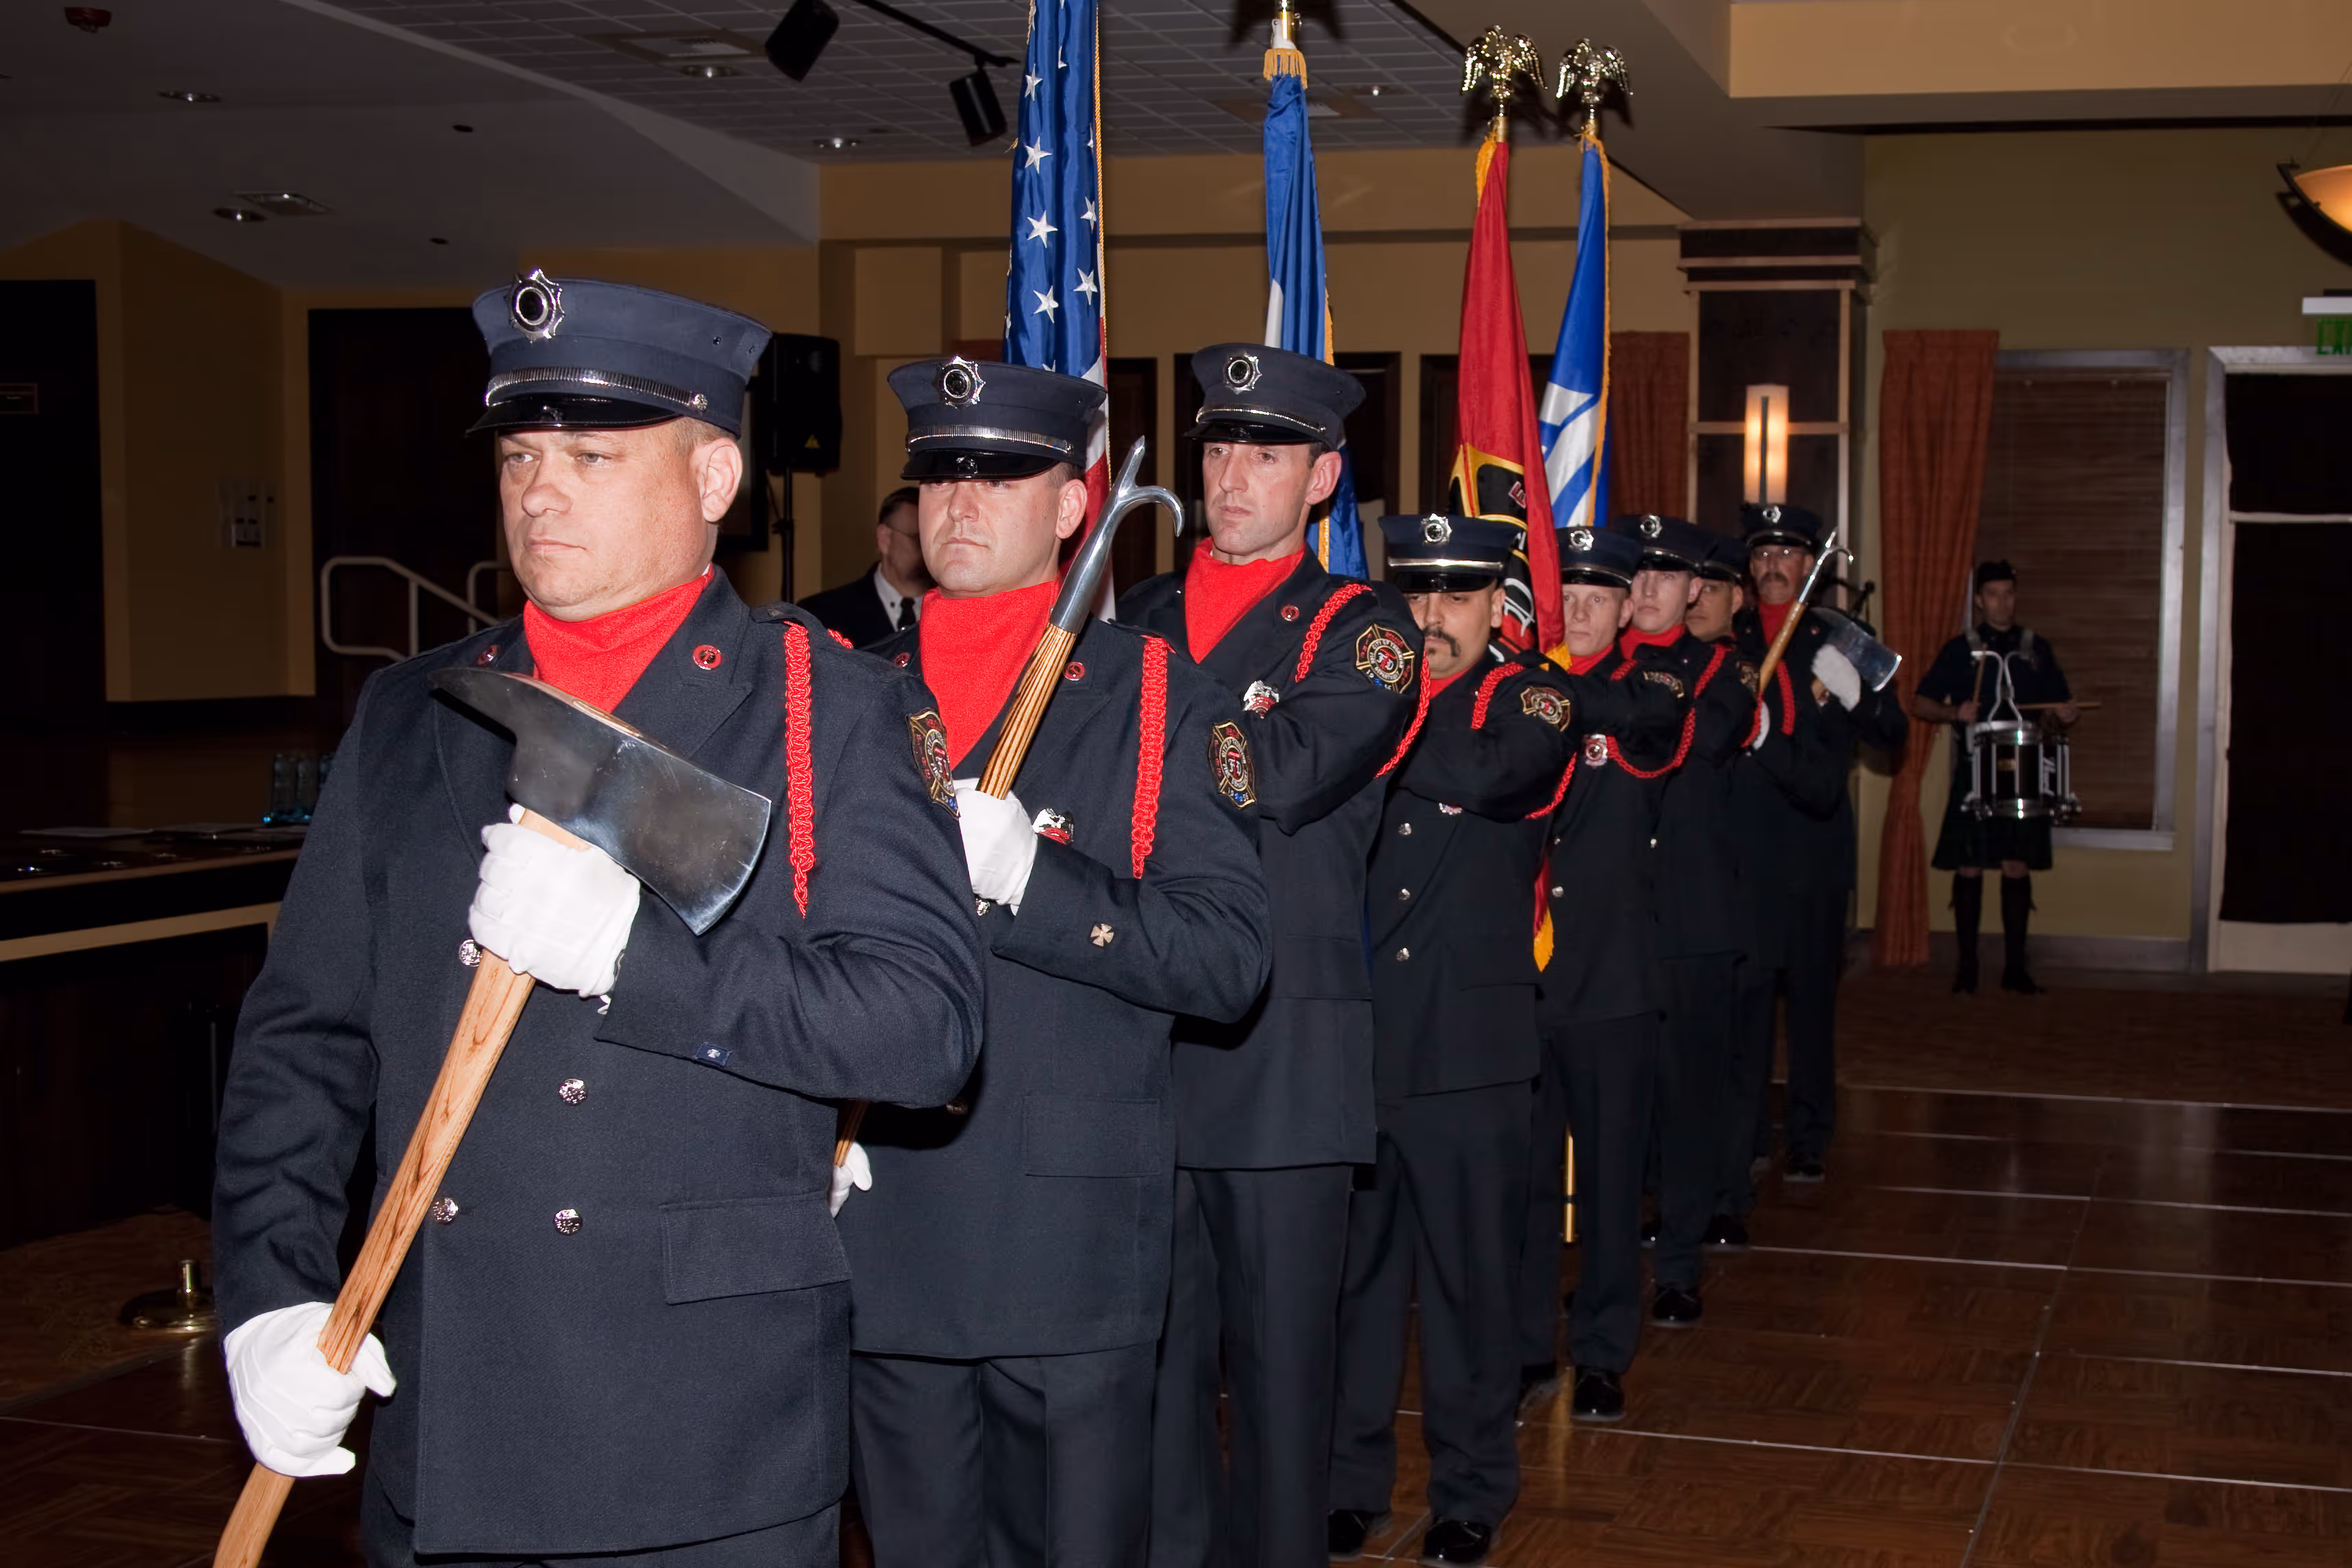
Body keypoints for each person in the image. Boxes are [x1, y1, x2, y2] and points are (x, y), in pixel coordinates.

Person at [210, 274, 989, 1565]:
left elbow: (925, 1030)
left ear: (714, 477)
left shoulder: (824, 711)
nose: (539, 490)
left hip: (698, 1423)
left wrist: (635, 957)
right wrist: (272, 1295)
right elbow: (305, 1037)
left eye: (592, 454)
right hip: (448, 1400)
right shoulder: (418, 711)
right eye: (521, 453)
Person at [835, 358, 1272, 1568]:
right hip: (890, 1226)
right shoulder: (845, 698)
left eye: (1001, 474)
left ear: (1076, 504)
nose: (960, 502)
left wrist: (1038, 882)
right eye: (938, 472)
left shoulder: (1154, 697)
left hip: (1066, 1241)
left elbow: (1228, 957)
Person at [1121, 343, 1423, 1568]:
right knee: (1151, 1386)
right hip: (1138, 1049)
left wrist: (1145, 737)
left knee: (1283, 1393)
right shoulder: (1132, 614)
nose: (1232, 471)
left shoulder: (1362, 628)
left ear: (1321, 477)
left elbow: (1285, 768)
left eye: (1266, 451)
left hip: (1281, 1058)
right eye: (1219, 446)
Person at [1326, 516, 1580, 1568]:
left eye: (1458, 597)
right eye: (1418, 595)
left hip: (1471, 1056)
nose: (1431, 617)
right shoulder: (1360, 693)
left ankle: (1474, 1488)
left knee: (1473, 1291)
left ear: (1497, 608)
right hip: (1364, 1042)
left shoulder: (1534, 698)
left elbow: (1488, 774)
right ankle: (1351, 1483)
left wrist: (1374, 703)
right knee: (1359, 1289)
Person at [1514, 525, 1682, 1426]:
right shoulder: (1518, 691)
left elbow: (1655, 729)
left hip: (1614, 982)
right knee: (1527, 1180)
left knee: (1613, 1182)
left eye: (1595, 598)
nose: (1576, 611)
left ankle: (1606, 1348)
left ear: (1626, 608)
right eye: (1564, 595)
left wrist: (1546, 690)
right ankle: (1527, 1345)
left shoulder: (1647, 690)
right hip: (1526, 979)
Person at [1608, 515, 1761, 1322]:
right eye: (1638, 574)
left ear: (1697, 589)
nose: (1650, 590)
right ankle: (1611, 1258)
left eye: (1668, 577)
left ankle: (1677, 1265)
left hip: (1695, 923)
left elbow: (1696, 737)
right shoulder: (1597, 668)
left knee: (1688, 1098)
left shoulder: (1726, 672)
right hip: (1614, 923)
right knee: (1619, 1107)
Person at [1729, 503, 1907, 1185]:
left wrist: (1856, 693)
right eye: (1764, 553)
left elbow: (1893, 733)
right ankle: (1745, 1132)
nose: (1775, 565)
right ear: (1751, 564)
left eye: (1788, 554)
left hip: (1812, 852)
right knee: (1745, 1008)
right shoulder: (1732, 635)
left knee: (1809, 1004)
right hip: (1744, 851)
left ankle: (1809, 1134)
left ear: (1810, 564)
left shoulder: (1845, 633)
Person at [1909, 559, 2077, 994]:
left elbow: (2060, 708)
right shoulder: (1959, 649)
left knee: (2016, 866)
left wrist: (2065, 712)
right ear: (1980, 601)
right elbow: (1920, 702)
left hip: (2023, 768)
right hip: (1975, 768)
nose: (2003, 602)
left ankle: (2015, 970)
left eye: (2010, 593)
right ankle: (1967, 970)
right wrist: (1952, 712)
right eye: (1994, 594)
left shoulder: (2037, 649)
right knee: (1968, 868)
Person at [799, 485, 931, 646]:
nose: (928, 547)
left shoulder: (957, 614)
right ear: (885, 539)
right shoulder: (820, 616)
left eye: (933, 537)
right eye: (917, 538)